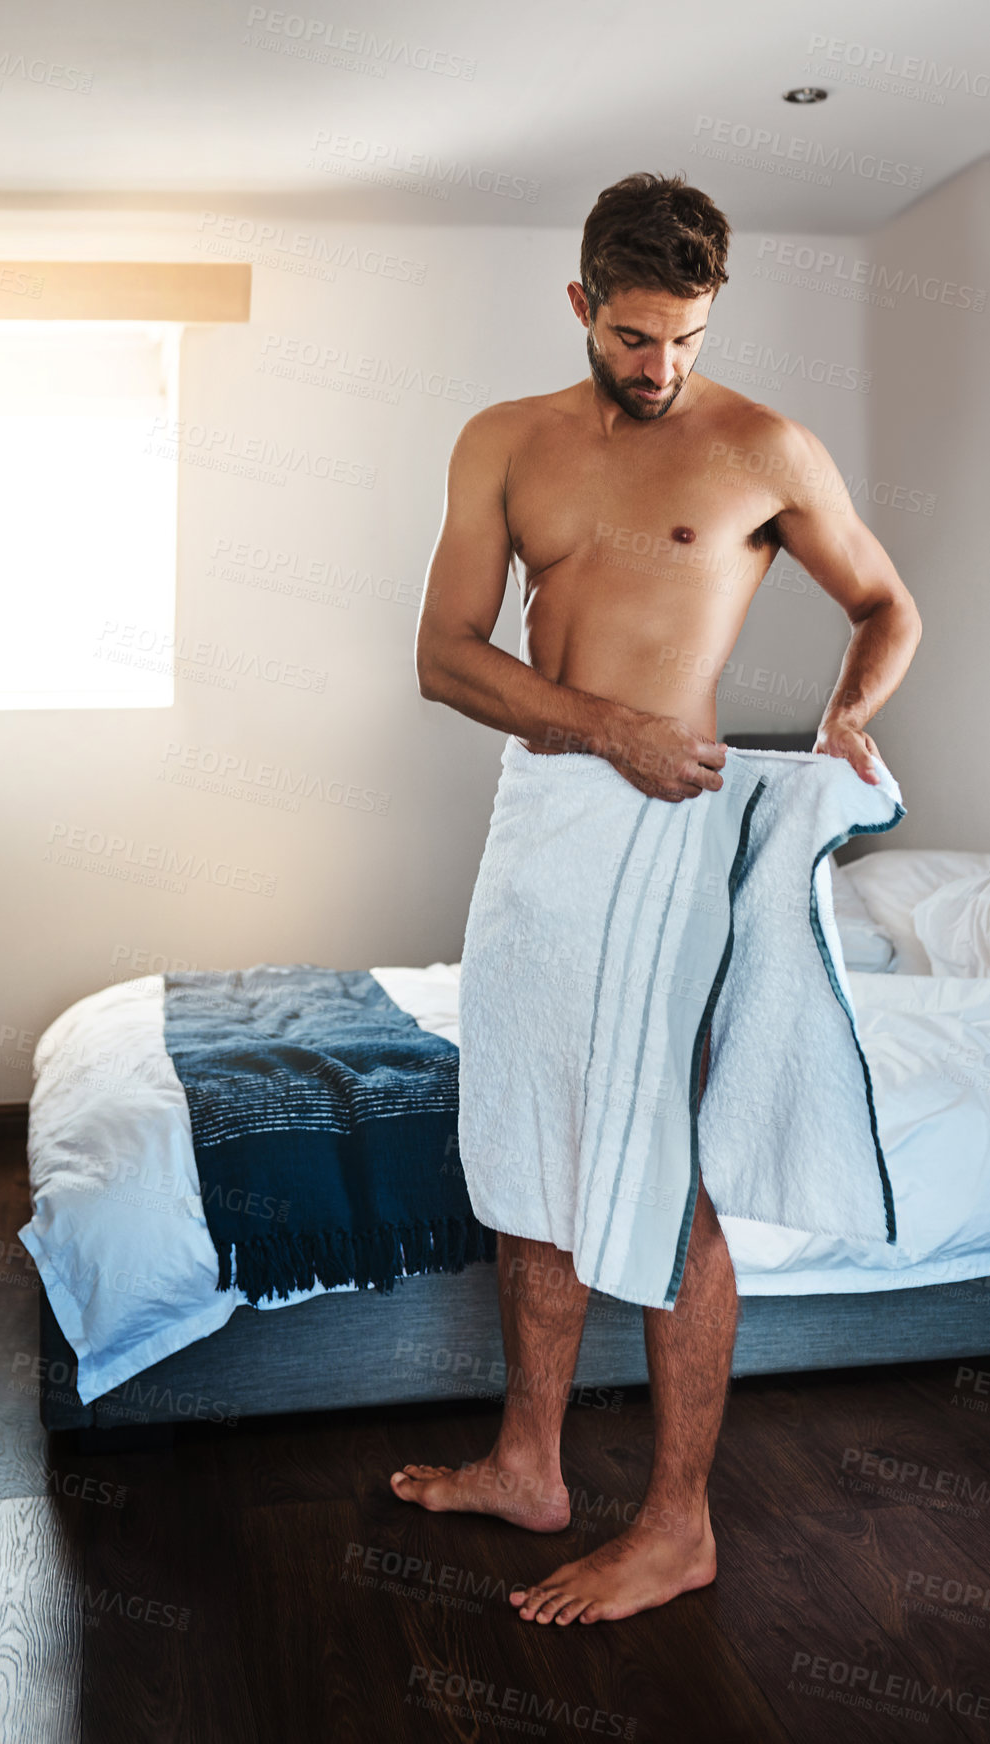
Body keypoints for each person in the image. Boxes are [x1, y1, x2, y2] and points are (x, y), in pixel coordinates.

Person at [391, 171, 922, 1626]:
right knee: (521, 1156)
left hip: (672, 843)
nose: (659, 366)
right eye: (632, 335)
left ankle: (677, 1525)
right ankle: (528, 1464)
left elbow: (886, 603)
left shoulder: (764, 447)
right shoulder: (504, 443)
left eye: (683, 336)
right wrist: (597, 725)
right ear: (579, 305)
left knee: (664, 1178)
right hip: (542, 830)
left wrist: (843, 719)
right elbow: (443, 655)